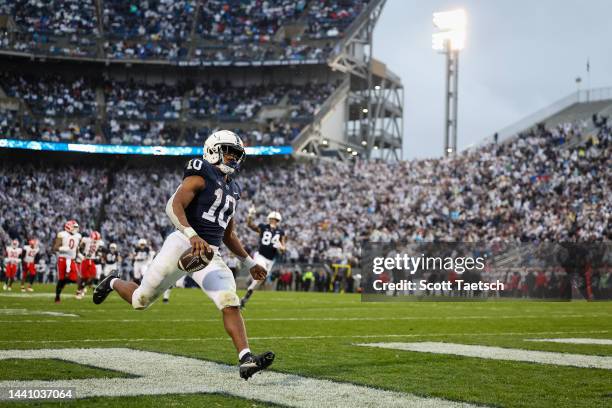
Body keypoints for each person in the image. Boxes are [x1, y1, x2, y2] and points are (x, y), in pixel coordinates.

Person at [93, 130, 274, 380]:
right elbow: (173, 205)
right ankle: (112, 281)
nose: (232, 158)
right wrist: (192, 234)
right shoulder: (202, 171)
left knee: (229, 300)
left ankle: (245, 359)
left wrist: (249, 262)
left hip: (208, 255)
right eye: (228, 151)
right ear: (213, 149)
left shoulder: (234, 190)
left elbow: (228, 234)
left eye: (236, 154)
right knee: (140, 300)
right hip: (181, 243)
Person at [240, 210, 286, 308]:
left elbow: (283, 249)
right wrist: (250, 216)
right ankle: (251, 276)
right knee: (262, 271)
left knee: (260, 279)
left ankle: (245, 297)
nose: (274, 221)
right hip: (260, 255)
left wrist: (281, 248)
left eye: (276, 220)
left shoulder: (281, 232)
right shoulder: (263, 227)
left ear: (278, 221)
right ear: (269, 219)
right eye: (272, 219)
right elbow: (250, 225)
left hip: (270, 260)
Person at [52, 220, 82, 303]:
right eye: (74, 227)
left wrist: (80, 256)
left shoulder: (78, 236)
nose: (76, 229)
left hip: (71, 260)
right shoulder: (62, 234)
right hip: (62, 259)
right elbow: (55, 248)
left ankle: (65, 282)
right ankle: (57, 297)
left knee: (74, 278)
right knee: (61, 279)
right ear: (69, 227)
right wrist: (62, 248)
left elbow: (76, 248)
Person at [76, 231, 102, 299]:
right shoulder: (86, 240)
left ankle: (84, 287)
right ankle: (78, 292)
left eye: (97, 240)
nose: (95, 241)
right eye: (95, 240)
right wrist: (80, 254)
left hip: (91, 260)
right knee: (84, 277)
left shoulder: (98, 242)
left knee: (93, 276)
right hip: (85, 260)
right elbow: (78, 246)